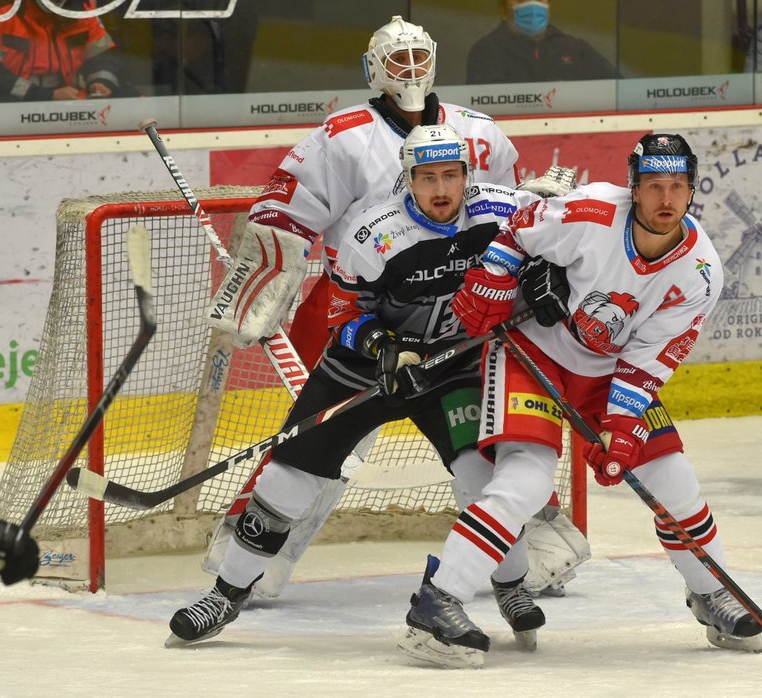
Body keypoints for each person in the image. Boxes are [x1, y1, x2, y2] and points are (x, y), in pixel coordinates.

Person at [199, 14, 590, 602]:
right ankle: (257, 553)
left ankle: (529, 540)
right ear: (373, 68)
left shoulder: (480, 130)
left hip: (464, 308)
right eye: (395, 60)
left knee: (491, 431)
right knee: (321, 431)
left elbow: (513, 222)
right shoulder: (343, 134)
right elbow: (284, 213)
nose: (408, 70)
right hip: (364, 303)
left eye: (417, 57)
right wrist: (268, 268)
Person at [168, 124, 581, 648]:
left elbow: (569, 228)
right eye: (427, 177)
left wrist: (554, 269)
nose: (440, 190)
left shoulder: (502, 211)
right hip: (362, 370)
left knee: (485, 478)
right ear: (407, 179)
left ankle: (511, 587)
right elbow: (344, 312)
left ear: (467, 177)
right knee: (285, 483)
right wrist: (382, 345)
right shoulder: (374, 234)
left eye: (451, 176)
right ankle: (226, 595)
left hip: (451, 367)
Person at [400, 133, 762, 668]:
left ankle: (711, 592)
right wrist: (496, 278)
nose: (666, 200)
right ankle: (437, 602)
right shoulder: (591, 210)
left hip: (609, 373)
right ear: (634, 189)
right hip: (535, 353)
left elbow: (646, 361)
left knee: (673, 478)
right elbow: (518, 231)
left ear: (691, 191)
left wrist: (622, 425)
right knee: (526, 478)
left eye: (678, 187)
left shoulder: (701, 273)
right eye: (654, 187)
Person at [0, 0, 127, 102]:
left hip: (71, 107)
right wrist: (48, 96)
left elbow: (104, 56)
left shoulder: (81, 9)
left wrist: (101, 83)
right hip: (2, 109)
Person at [466, 0, 616, 84]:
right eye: (521, 0)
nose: (532, 5)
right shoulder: (485, 52)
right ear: (503, 9)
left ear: (548, 7)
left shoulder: (575, 49)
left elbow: (615, 89)